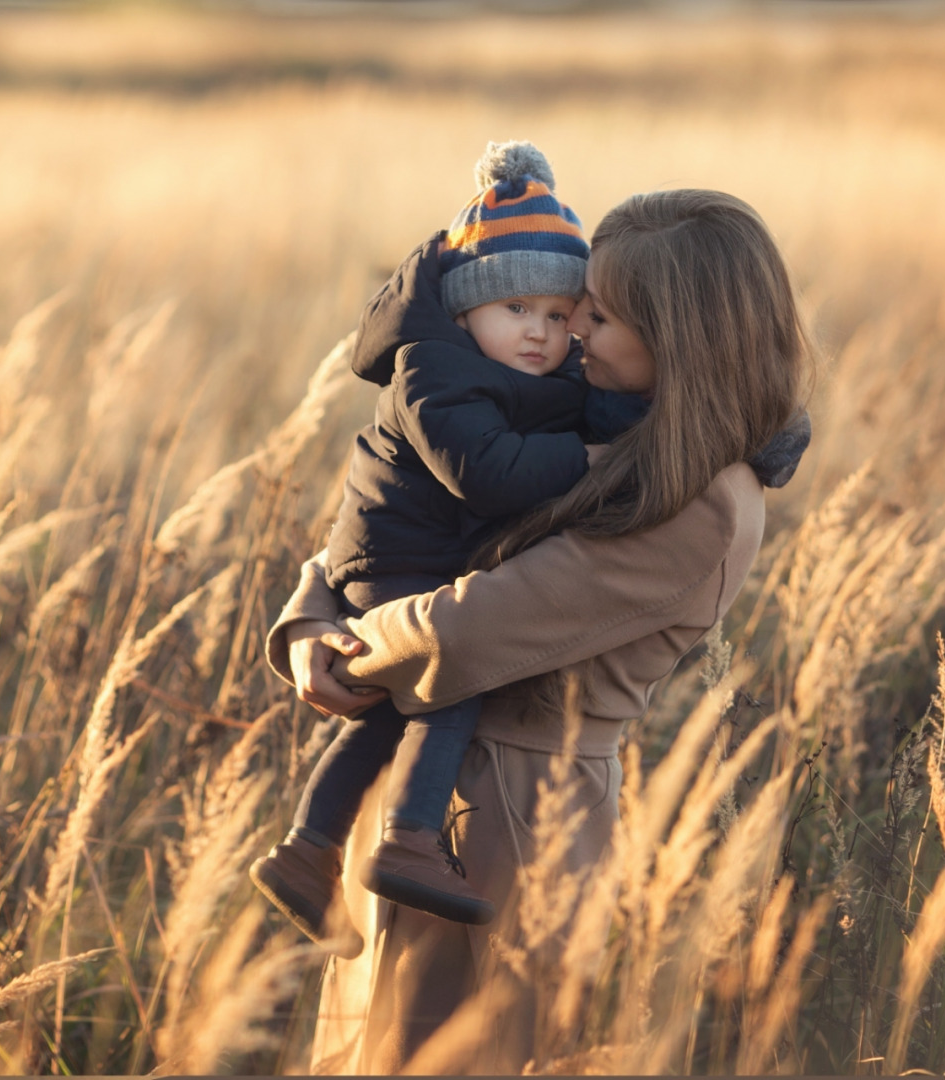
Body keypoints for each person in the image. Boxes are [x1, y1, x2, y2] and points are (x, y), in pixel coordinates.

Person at [264, 188, 812, 1072]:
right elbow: (400, 525)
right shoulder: (579, 413)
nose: (574, 331)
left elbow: (469, 629)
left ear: (677, 335)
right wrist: (306, 624)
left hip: (517, 814)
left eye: (598, 313)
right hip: (412, 792)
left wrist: (346, 646)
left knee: (455, 1054)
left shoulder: (703, 499)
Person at [251, 141, 658, 949]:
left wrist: (742, 428)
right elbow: (488, 472)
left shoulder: (519, 370)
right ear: (467, 307)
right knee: (451, 680)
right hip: (396, 562)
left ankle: (308, 850)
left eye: (557, 316)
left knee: (377, 720)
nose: (540, 334)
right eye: (516, 312)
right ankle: (409, 837)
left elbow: (604, 412)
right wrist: (591, 462)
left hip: (416, 561)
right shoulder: (434, 369)